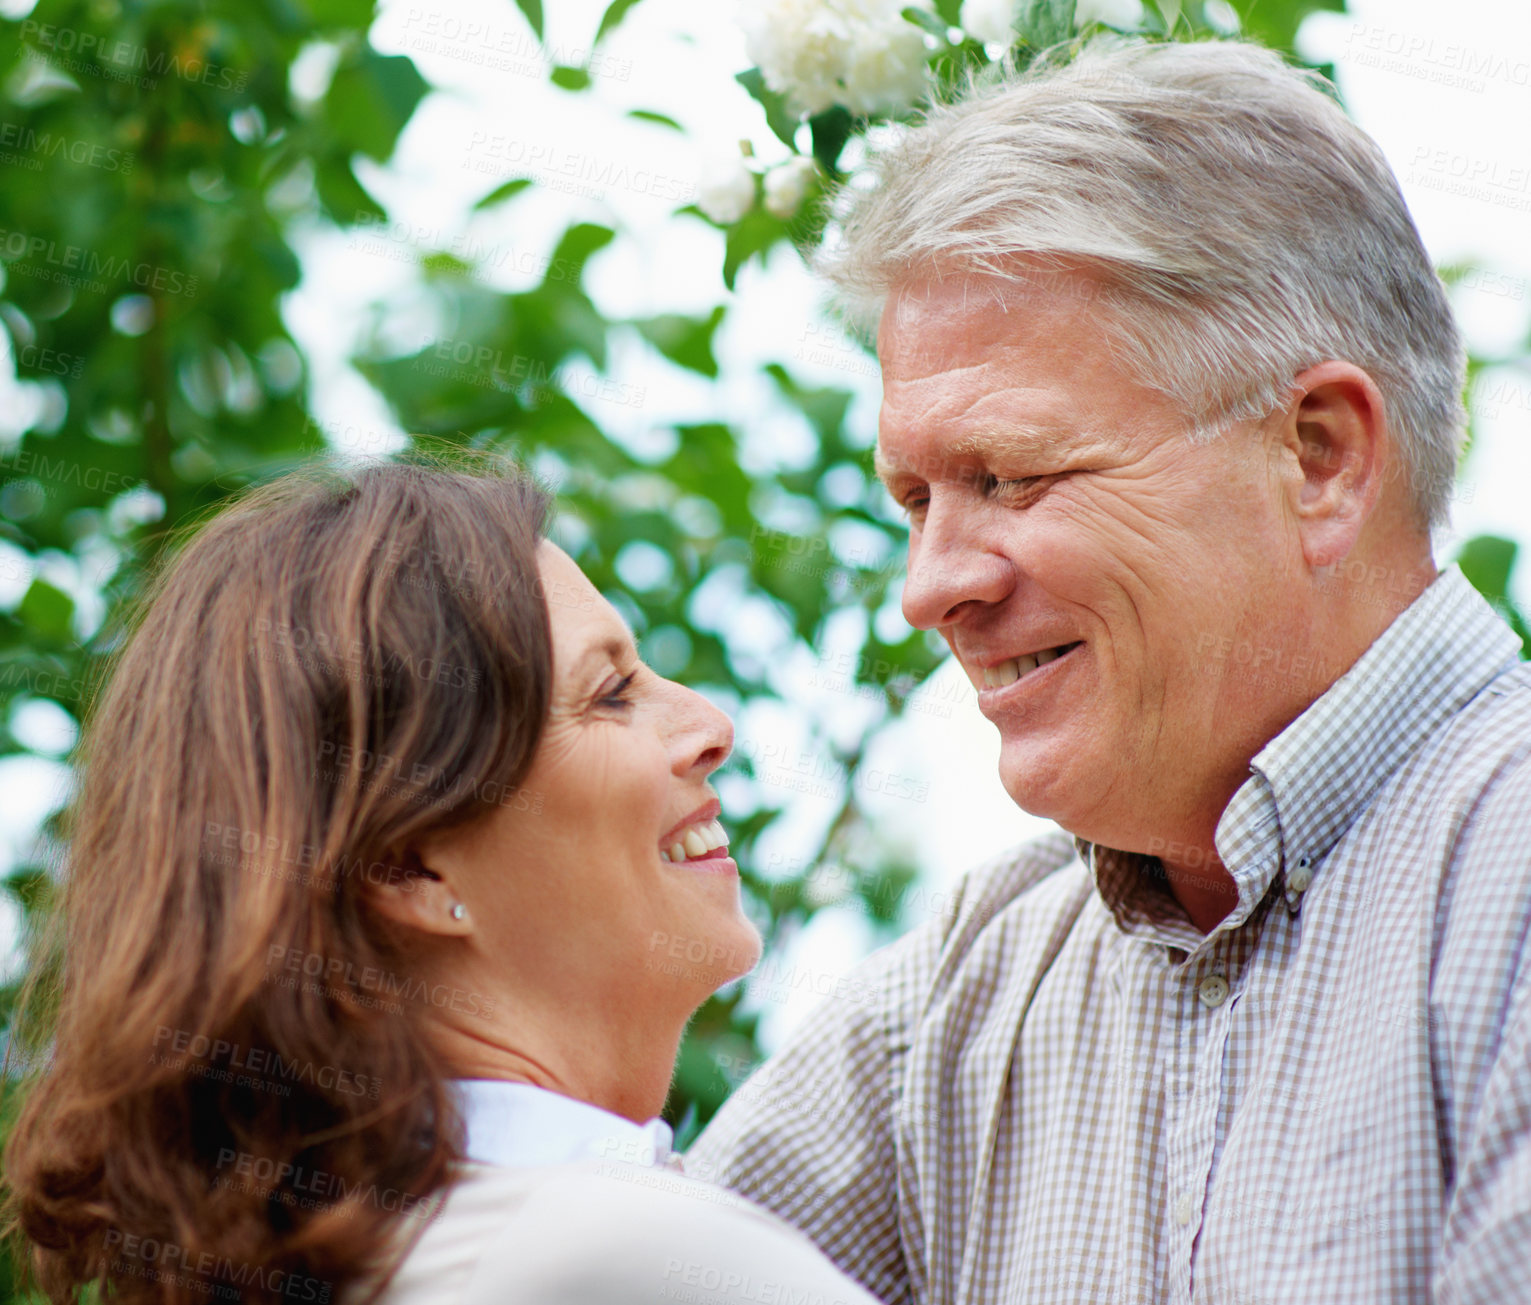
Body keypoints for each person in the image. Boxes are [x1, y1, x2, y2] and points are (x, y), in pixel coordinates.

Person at [687, 37, 1531, 1305]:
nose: (930, 587)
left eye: (1009, 476)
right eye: (914, 499)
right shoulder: (963, 1003)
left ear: (1316, 458)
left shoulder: (1501, 889)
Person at [3, 457, 881, 1305]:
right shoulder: (625, 1255)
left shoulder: (373, 1258)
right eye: (611, 692)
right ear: (409, 864)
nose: (709, 722)